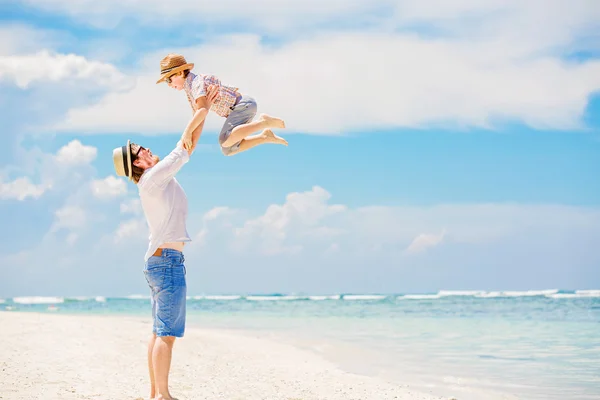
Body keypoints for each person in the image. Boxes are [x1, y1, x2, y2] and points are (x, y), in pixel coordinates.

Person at [111, 87, 218, 400]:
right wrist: (202, 108)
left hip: (160, 261)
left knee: (160, 331)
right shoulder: (155, 177)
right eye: (141, 152)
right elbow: (186, 144)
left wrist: (201, 111)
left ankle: (156, 393)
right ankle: (162, 396)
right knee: (167, 334)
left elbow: (189, 145)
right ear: (139, 164)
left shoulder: (155, 180)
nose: (147, 151)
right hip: (167, 262)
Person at [156, 53, 288, 156]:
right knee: (228, 149)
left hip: (242, 105)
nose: (168, 84)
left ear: (179, 72)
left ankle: (263, 122)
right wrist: (191, 146)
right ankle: (264, 137)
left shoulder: (196, 83)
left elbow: (202, 111)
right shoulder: (189, 90)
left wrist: (186, 133)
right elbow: (198, 119)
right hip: (238, 110)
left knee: (224, 139)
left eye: (169, 79)